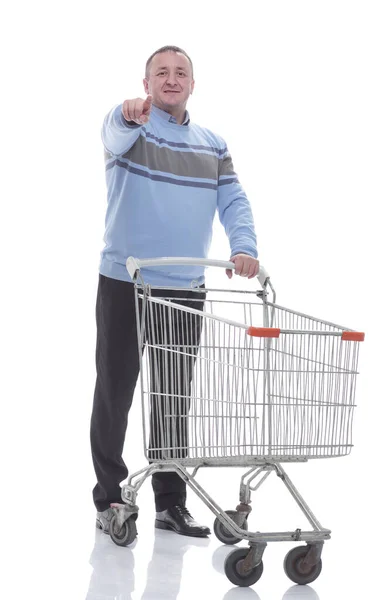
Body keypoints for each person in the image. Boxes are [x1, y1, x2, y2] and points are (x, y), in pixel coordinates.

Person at [91, 45, 259, 538]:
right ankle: (110, 500)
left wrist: (244, 246)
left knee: (171, 397)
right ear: (146, 84)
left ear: (192, 84)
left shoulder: (213, 144)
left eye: (180, 72)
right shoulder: (131, 128)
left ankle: (170, 503)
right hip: (127, 281)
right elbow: (111, 131)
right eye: (160, 72)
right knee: (115, 391)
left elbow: (234, 200)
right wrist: (125, 114)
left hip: (185, 287)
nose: (170, 78)